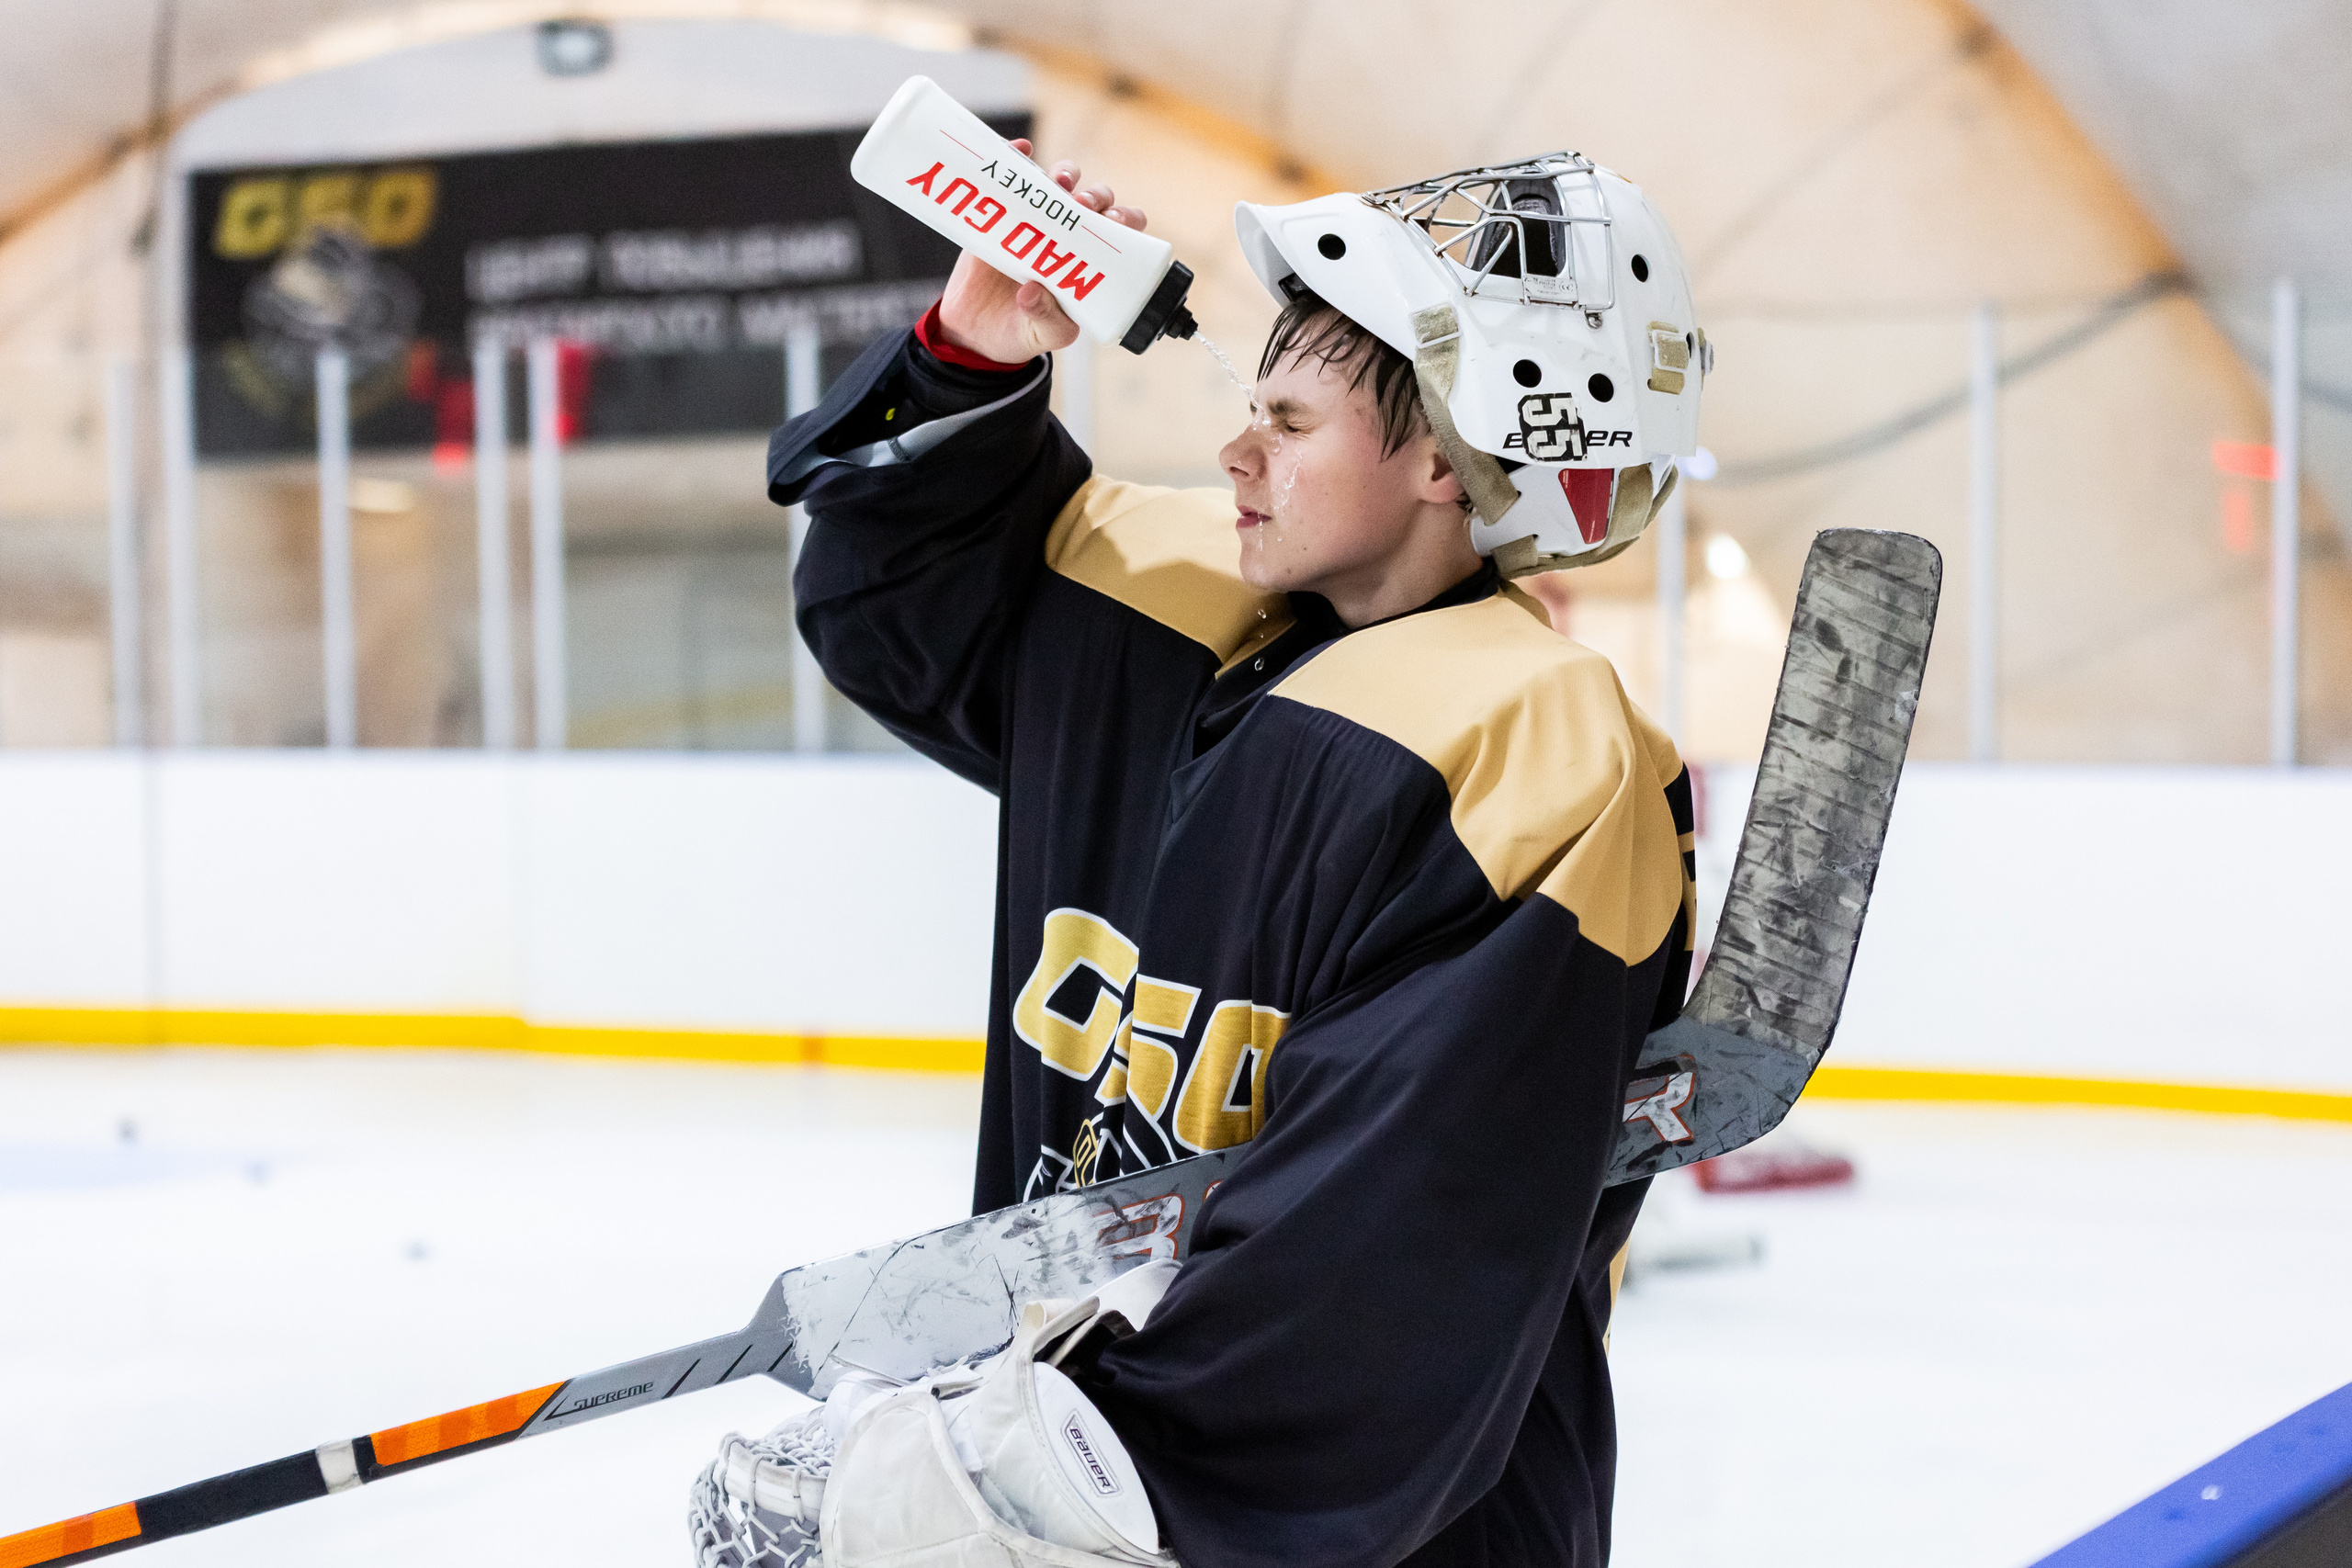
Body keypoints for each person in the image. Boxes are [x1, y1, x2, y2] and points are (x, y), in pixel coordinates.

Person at [689, 141, 1706, 1568]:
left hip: (1316, 1523)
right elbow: (892, 612)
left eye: (1288, 422)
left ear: (1443, 455)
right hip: (1074, 1434)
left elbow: (1390, 1253)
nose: (1238, 449)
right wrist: (975, 349)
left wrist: (992, 1490)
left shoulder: (1536, 754)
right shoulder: (1166, 605)